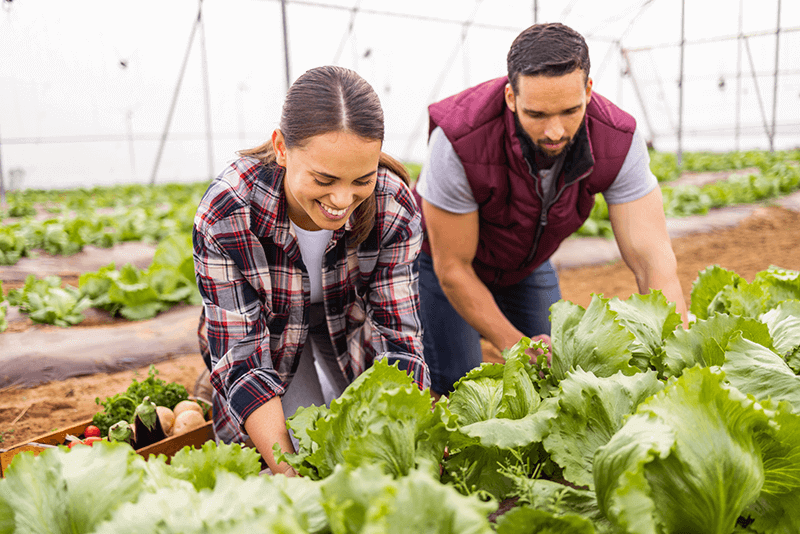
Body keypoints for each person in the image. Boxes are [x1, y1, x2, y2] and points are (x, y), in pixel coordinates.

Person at [414, 22, 689, 397]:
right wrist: (513, 344)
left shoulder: (618, 140)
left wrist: (675, 351)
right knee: (459, 382)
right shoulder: (459, 138)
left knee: (559, 370)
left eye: (569, 111)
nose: (556, 131)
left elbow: (653, 261)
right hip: (445, 265)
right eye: (538, 115)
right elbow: (454, 269)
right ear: (511, 97)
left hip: (524, 264)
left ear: (588, 91)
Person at [193, 66, 428, 476]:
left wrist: (406, 440)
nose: (342, 199)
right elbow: (244, 357)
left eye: (362, 179)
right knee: (301, 452)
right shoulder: (228, 210)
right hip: (271, 334)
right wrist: (292, 475)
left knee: (362, 445)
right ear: (281, 148)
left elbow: (399, 336)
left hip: (349, 326)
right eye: (324, 179)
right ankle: (212, 384)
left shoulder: (394, 205)